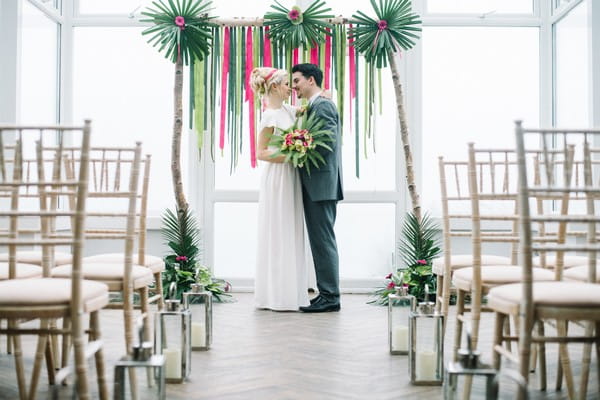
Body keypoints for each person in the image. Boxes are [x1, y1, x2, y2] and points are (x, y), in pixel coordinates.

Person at [251, 67, 310, 311]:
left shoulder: (287, 109)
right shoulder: (269, 116)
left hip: (292, 176)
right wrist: (291, 153)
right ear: (275, 86)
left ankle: (292, 290)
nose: (291, 88)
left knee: (291, 228)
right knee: (278, 229)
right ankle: (275, 294)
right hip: (278, 176)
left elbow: (306, 108)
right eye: (287, 83)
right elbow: (261, 152)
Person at [291, 63, 344, 313]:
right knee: (320, 241)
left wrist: (296, 146)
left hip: (321, 184)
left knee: (323, 242)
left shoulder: (322, 105)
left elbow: (326, 142)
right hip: (318, 184)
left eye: (297, 81)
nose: (294, 87)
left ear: (311, 80)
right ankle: (326, 294)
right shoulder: (316, 104)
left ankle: (331, 297)